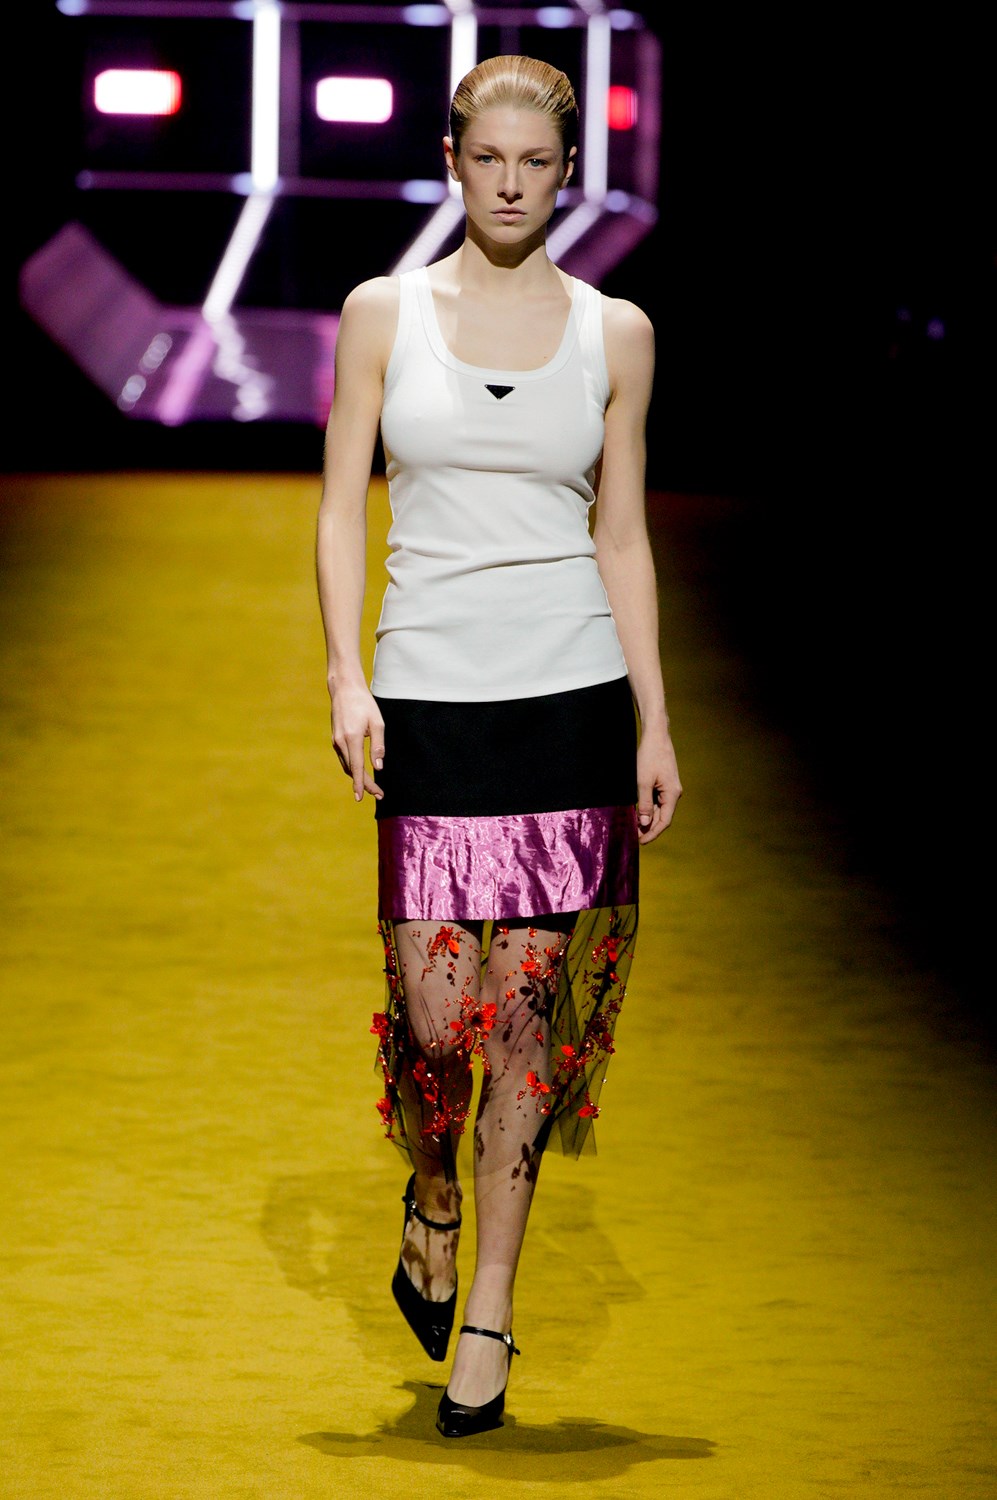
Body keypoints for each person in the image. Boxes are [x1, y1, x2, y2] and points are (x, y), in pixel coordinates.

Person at [316, 54, 681, 1439]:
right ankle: (432, 1193)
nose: (512, 185)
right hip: (428, 696)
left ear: (567, 172)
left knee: (523, 1016)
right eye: (489, 160)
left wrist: (653, 717)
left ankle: (490, 1310)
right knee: (432, 1021)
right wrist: (346, 676)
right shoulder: (383, 314)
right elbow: (341, 506)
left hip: (568, 699)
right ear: (452, 163)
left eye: (536, 163)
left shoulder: (616, 334)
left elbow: (622, 534)